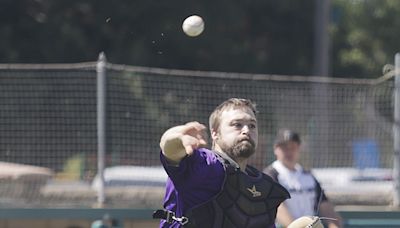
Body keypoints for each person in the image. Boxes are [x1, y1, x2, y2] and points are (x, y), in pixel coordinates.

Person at [153, 98, 290, 228]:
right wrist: (176, 139)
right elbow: (170, 151)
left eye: (252, 125)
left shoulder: (263, 186)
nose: (246, 130)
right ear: (215, 133)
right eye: (237, 124)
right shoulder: (205, 164)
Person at [263, 129, 342, 228]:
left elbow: (325, 205)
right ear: (275, 149)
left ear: (299, 148)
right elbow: (277, 208)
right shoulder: (270, 175)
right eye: (284, 147)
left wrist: (334, 226)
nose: (289, 151)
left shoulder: (308, 176)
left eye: (292, 147)